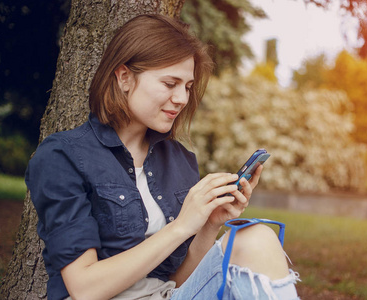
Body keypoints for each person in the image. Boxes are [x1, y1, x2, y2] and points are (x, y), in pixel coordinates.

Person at [26, 14, 300, 300]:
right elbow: (84, 288)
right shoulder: (63, 156)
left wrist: (209, 224)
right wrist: (182, 226)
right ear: (124, 78)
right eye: (170, 84)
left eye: (188, 87)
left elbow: (177, 281)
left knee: (256, 238)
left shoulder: (179, 159)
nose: (182, 98)